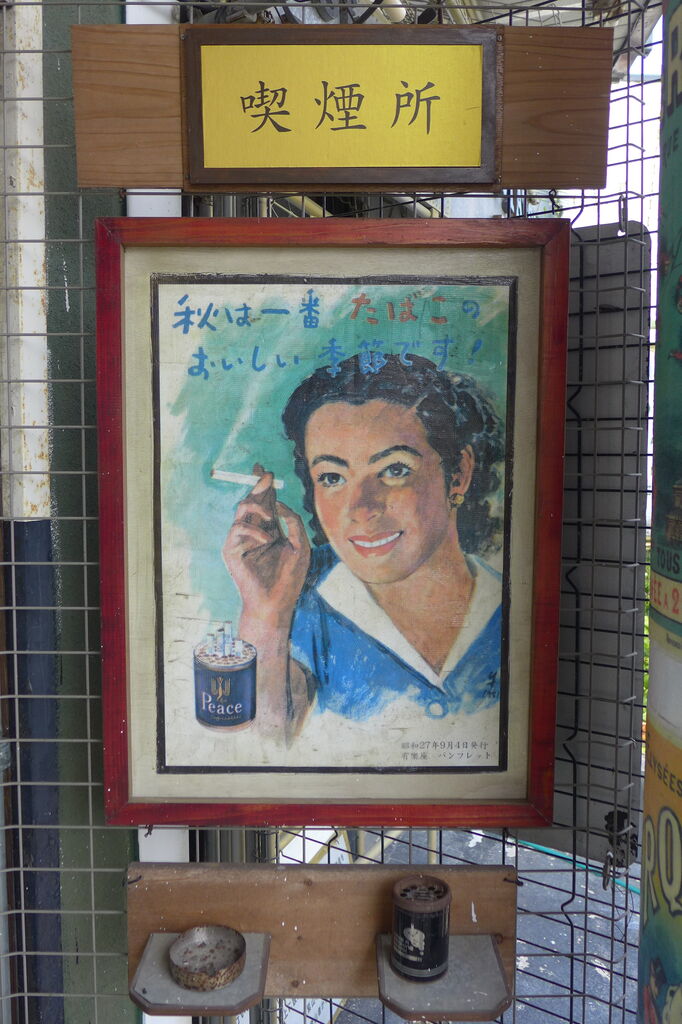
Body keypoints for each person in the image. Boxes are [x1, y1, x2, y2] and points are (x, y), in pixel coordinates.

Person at [222, 353, 505, 741]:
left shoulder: (509, 603)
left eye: (394, 470)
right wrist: (265, 612)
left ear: (458, 474)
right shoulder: (300, 608)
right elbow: (262, 747)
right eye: (332, 477)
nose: (360, 509)